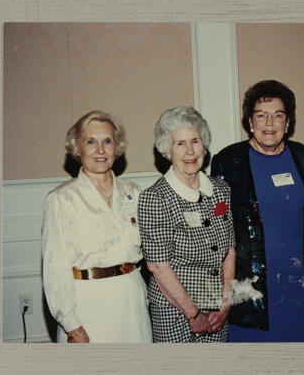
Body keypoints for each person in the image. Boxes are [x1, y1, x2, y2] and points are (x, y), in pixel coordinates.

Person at [210, 80, 304, 342]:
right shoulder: (229, 162)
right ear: (250, 122)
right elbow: (217, 227)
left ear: (288, 123)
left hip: (298, 287)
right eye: (261, 115)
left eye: (278, 115)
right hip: (251, 290)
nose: (270, 123)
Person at [42, 110, 152, 343]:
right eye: (91, 142)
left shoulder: (134, 193)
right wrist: (72, 326)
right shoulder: (62, 199)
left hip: (132, 301)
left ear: (117, 147)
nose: (100, 150)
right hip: (87, 308)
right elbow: (54, 269)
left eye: (107, 141)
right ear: (77, 148)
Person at [138, 106, 236, 343]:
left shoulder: (221, 190)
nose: (190, 151)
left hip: (216, 312)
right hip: (176, 313)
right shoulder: (155, 197)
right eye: (180, 144)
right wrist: (193, 315)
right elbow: (158, 267)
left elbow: (229, 249)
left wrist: (225, 302)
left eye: (195, 141)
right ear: (167, 150)